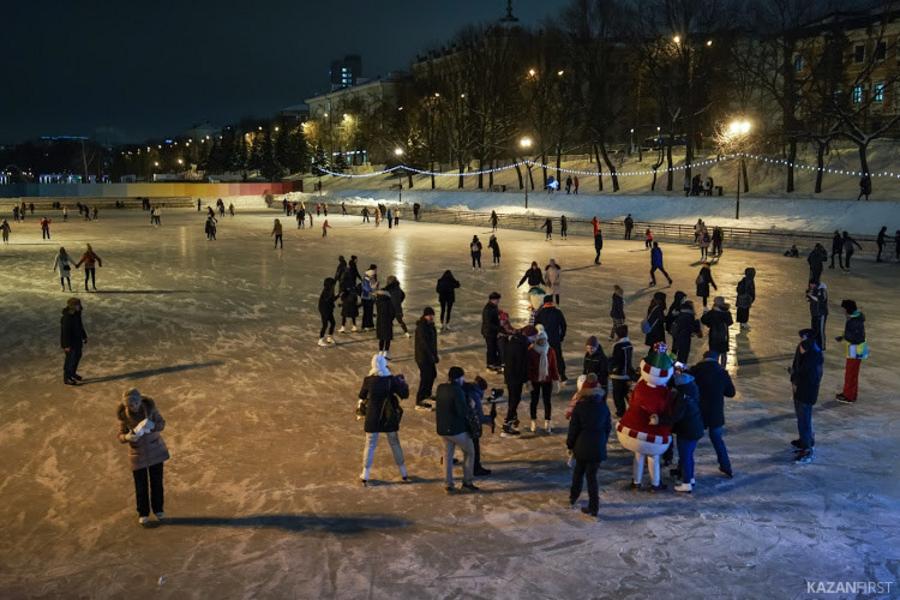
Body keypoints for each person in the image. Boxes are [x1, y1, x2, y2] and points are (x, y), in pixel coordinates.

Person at [616, 343, 675, 492]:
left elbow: (632, 401)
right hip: (653, 434)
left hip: (632, 429)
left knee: (638, 455)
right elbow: (668, 412)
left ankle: (636, 482)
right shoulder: (665, 393)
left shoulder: (640, 386)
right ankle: (655, 484)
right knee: (653, 457)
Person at [117, 388, 170, 526]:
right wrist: (127, 437)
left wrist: (152, 426)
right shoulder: (124, 416)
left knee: (157, 483)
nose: (133, 407)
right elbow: (120, 435)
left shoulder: (151, 410)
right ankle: (143, 512)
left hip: (155, 451)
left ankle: (158, 509)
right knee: (141, 486)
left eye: (135, 403)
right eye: (130, 405)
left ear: (140, 401)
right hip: (138, 455)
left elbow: (162, 424)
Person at [357, 354, 410, 485]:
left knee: (370, 445)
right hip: (389, 416)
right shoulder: (391, 380)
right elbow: (404, 395)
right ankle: (403, 472)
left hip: (372, 417)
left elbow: (362, 395)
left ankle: (365, 474)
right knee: (394, 443)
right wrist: (402, 382)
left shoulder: (368, 380)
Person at [566, 374, 611, 517]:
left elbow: (573, 429)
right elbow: (607, 428)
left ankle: (573, 496)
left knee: (578, 473)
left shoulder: (580, 407)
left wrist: (570, 444)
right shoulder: (603, 407)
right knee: (592, 478)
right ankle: (594, 507)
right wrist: (602, 442)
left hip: (581, 446)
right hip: (597, 446)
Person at [691, 350, 736, 478]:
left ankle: (683, 467)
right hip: (715, 413)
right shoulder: (722, 373)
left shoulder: (695, 371)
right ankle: (726, 466)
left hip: (698, 412)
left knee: (691, 441)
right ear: (716, 359)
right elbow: (731, 393)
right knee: (717, 440)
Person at [435, 367, 479, 493]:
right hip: (456, 430)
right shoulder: (457, 390)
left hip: (442, 429)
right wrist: (471, 405)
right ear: (459, 378)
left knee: (447, 456)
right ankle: (467, 482)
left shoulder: (440, 387)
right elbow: (462, 412)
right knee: (470, 452)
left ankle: (448, 485)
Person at [664, 365, 704, 493]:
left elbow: (676, 415)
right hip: (696, 428)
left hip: (686, 431)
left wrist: (661, 420)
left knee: (685, 456)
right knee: (689, 456)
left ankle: (686, 483)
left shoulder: (683, 397)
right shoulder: (693, 390)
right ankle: (690, 478)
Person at [501, 325, 537, 436]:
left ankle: (513, 418)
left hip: (510, 375)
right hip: (516, 377)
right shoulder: (521, 346)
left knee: (512, 398)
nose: (535, 339)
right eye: (534, 336)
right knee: (514, 399)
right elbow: (522, 365)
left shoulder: (515, 341)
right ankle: (507, 424)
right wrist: (526, 380)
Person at [528, 326, 560, 433]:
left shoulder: (550, 351)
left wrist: (556, 380)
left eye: (544, 340)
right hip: (535, 380)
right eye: (540, 340)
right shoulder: (531, 351)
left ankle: (547, 421)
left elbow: (553, 367)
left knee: (547, 401)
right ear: (536, 340)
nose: (542, 342)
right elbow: (528, 367)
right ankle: (533, 420)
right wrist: (528, 380)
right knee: (534, 401)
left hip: (547, 380)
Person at [835, 299, 867, 404]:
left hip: (855, 349)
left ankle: (848, 396)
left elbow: (857, 337)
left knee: (850, 373)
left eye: (843, 309)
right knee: (852, 373)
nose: (842, 311)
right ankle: (851, 394)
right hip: (856, 348)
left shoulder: (854, 321)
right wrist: (843, 337)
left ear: (847, 309)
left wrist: (846, 337)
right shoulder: (854, 318)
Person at [463, 375, 493, 476]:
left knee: (453, 445)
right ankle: (476, 468)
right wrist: (489, 419)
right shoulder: (475, 395)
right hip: (469, 425)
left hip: (456, 423)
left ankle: (448, 460)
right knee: (474, 445)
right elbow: (479, 417)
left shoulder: (466, 388)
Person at [534, 295, 568, 382]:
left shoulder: (540, 313)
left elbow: (536, 326)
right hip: (555, 339)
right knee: (558, 357)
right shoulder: (557, 312)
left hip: (544, 340)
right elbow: (563, 325)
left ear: (544, 303)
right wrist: (561, 336)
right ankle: (562, 375)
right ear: (552, 302)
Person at [414, 307, 439, 410]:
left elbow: (433, 343)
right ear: (425, 316)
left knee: (432, 374)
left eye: (432, 315)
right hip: (423, 357)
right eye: (429, 315)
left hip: (429, 356)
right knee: (425, 377)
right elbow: (424, 344)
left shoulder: (431, 326)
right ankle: (419, 400)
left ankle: (427, 394)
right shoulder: (422, 327)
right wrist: (431, 356)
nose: (431, 317)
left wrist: (435, 355)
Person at [609, 325, 635, 418]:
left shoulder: (617, 346)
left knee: (618, 395)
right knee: (626, 393)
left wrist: (609, 369)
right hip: (627, 373)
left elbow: (615, 360)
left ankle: (621, 412)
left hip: (618, 375)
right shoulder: (629, 344)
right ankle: (634, 410)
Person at [60, 297, 87, 385]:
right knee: (70, 360)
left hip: (77, 340)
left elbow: (80, 326)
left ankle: (72, 373)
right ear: (73, 306)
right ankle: (67, 378)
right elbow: (65, 332)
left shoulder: (77, 314)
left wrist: (84, 336)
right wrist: (66, 345)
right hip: (70, 343)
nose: (80, 306)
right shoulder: (67, 317)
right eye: (78, 305)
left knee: (77, 356)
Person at [701, 297, 733, 367]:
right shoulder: (727, 312)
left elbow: (704, 320)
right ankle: (723, 368)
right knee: (723, 353)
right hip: (724, 336)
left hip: (714, 336)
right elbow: (730, 322)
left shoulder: (713, 312)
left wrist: (705, 314)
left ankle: (715, 368)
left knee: (714, 353)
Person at [671, 300, 701, 364]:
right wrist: (696, 326)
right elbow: (691, 327)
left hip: (677, 336)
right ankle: (679, 368)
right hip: (685, 337)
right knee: (682, 355)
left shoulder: (680, 313)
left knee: (674, 350)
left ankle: (671, 362)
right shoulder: (689, 316)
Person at [481, 292, 502, 371]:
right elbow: (488, 323)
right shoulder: (488, 309)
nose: (498, 301)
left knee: (495, 347)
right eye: (497, 300)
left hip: (493, 331)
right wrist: (498, 328)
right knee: (491, 348)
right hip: (489, 332)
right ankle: (490, 364)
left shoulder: (494, 306)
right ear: (492, 300)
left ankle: (495, 363)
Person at [807, 281, 828, 351]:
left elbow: (820, 299)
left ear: (815, 284)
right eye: (810, 285)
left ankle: (822, 347)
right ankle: (815, 345)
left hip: (821, 314)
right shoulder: (812, 290)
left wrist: (810, 295)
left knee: (821, 331)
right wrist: (808, 295)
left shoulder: (822, 290)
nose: (811, 286)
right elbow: (809, 300)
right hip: (814, 314)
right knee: (814, 330)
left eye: (812, 284)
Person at [375, 285, 396, 356]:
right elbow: (392, 312)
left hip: (380, 321)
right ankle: (386, 352)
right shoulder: (389, 302)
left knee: (381, 337)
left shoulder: (378, 301)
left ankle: (380, 351)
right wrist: (391, 319)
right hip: (387, 321)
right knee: (387, 337)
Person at [317, 277, 338, 347]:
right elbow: (328, 299)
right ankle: (320, 340)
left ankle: (329, 337)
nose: (334, 286)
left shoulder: (330, 291)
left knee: (333, 323)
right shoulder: (326, 291)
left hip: (329, 309)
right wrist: (335, 295)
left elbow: (332, 299)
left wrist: (339, 294)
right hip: (324, 310)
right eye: (333, 285)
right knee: (325, 325)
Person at [361, 266, 378, 332]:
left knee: (370, 312)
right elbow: (367, 289)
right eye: (372, 275)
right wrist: (374, 287)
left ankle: (370, 325)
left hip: (370, 298)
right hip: (366, 298)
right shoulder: (365, 280)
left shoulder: (370, 280)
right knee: (366, 312)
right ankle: (365, 325)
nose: (373, 276)